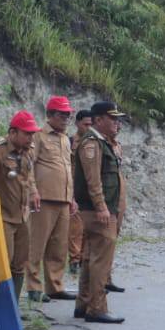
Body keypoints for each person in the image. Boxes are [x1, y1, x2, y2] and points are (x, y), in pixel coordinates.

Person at [73, 101, 128, 324]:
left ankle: (83, 304)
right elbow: (93, 180)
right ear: (98, 120)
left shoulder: (102, 142)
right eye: (112, 118)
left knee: (89, 258)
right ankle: (96, 308)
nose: (116, 122)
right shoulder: (92, 143)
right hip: (98, 212)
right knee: (100, 261)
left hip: (99, 210)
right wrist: (102, 207)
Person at [0, 111, 41, 302]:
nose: (31, 137)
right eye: (27, 133)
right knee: (2, 262)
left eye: (32, 133)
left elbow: (28, 175)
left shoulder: (28, 149)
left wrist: (34, 192)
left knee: (19, 263)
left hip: (23, 215)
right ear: (13, 132)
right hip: (3, 215)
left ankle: (12, 307)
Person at [26, 96, 78, 304]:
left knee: (59, 246)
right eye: (61, 114)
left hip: (63, 199)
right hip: (44, 198)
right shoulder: (38, 136)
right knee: (37, 244)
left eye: (68, 114)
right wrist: (32, 191)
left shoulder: (66, 139)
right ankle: (33, 288)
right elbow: (29, 165)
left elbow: (68, 170)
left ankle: (55, 286)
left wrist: (72, 197)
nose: (65, 118)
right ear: (50, 115)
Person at [66, 107, 93, 275]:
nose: (88, 128)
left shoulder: (95, 143)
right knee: (75, 228)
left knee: (89, 227)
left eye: (91, 124)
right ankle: (74, 260)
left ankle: (85, 258)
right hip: (74, 189)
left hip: (91, 190)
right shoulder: (69, 142)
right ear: (77, 124)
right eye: (85, 124)